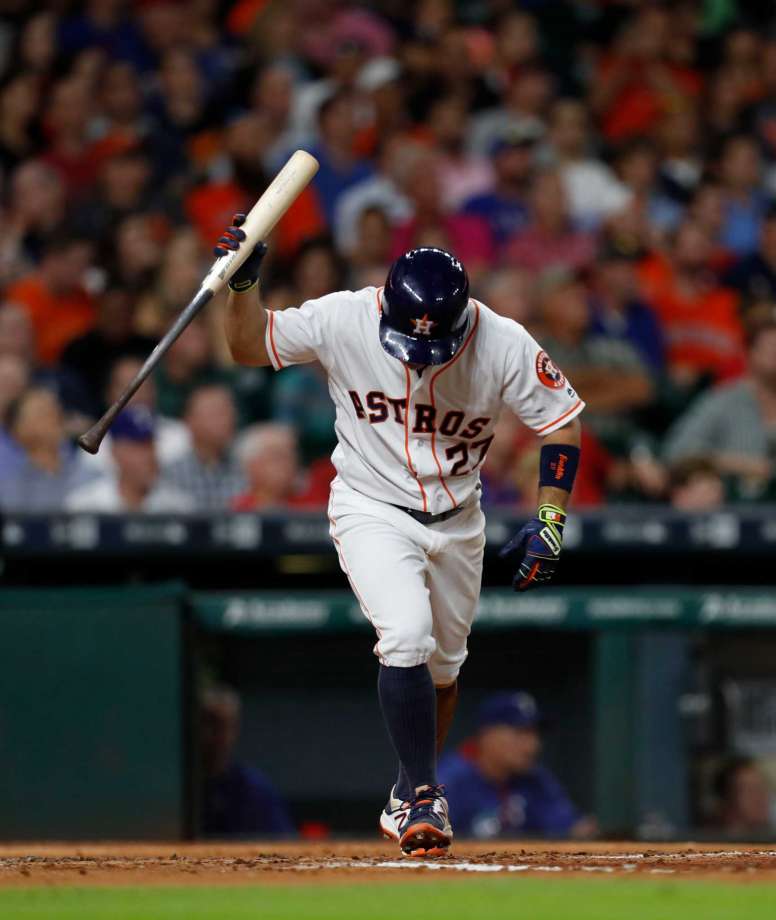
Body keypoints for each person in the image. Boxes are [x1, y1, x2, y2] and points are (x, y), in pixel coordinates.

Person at [218, 215, 584, 857]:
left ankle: (407, 790)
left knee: (443, 669)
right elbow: (250, 348)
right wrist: (243, 286)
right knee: (406, 636)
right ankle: (421, 793)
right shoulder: (344, 317)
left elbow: (563, 422)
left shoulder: (502, 341)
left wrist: (550, 519)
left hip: (460, 517)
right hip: (371, 505)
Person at [439, 692, 595, 839]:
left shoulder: (535, 779)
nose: (533, 745)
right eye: (521, 732)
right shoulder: (448, 781)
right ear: (487, 735)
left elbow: (574, 828)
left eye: (535, 734)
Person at [663, 321, 776, 500]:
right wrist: (739, 464)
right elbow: (677, 452)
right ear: (749, 354)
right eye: (772, 348)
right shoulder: (724, 401)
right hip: (734, 510)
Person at [201, 685, 294, 838]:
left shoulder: (253, 789)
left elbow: (284, 847)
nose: (209, 736)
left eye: (219, 726)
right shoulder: (176, 789)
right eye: (204, 723)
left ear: (234, 729)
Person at [65, 405, 193, 513]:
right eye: (139, 448)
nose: (149, 456)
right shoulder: (86, 506)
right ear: (116, 452)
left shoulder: (177, 507)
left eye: (151, 446)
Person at [161, 384, 246, 512]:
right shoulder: (170, 473)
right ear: (190, 421)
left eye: (230, 412)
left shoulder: (245, 468)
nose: (227, 420)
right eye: (218, 413)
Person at [232, 423, 333, 511]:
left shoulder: (314, 504)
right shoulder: (236, 511)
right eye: (277, 456)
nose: (288, 463)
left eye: (291, 455)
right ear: (252, 465)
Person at [712, 757, 774, 836]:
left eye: (762, 788)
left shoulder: (768, 839)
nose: (761, 797)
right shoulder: (709, 843)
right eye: (749, 790)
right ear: (727, 798)